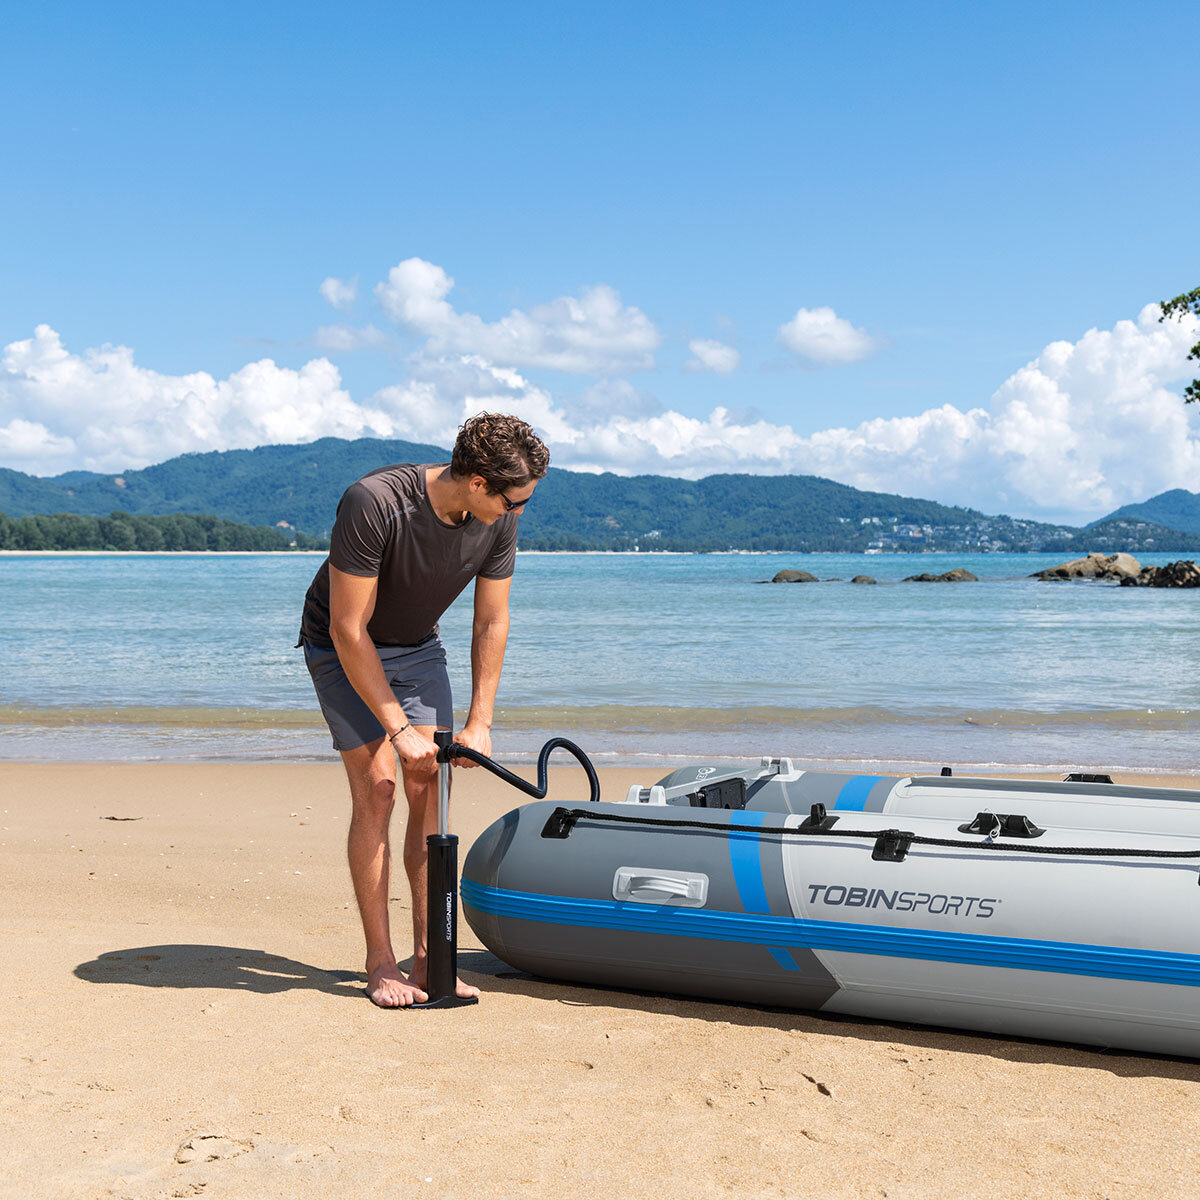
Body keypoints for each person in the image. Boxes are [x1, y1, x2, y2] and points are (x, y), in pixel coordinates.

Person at [297, 413, 549, 1007]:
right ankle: (380, 961)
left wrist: (480, 722)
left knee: (428, 791)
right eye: (515, 501)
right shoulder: (376, 502)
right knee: (381, 785)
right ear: (480, 482)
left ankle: (430, 955)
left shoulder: (497, 521)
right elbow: (348, 626)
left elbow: (491, 620)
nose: (520, 513)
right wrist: (399, 728)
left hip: (416, 647)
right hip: (341, 646)